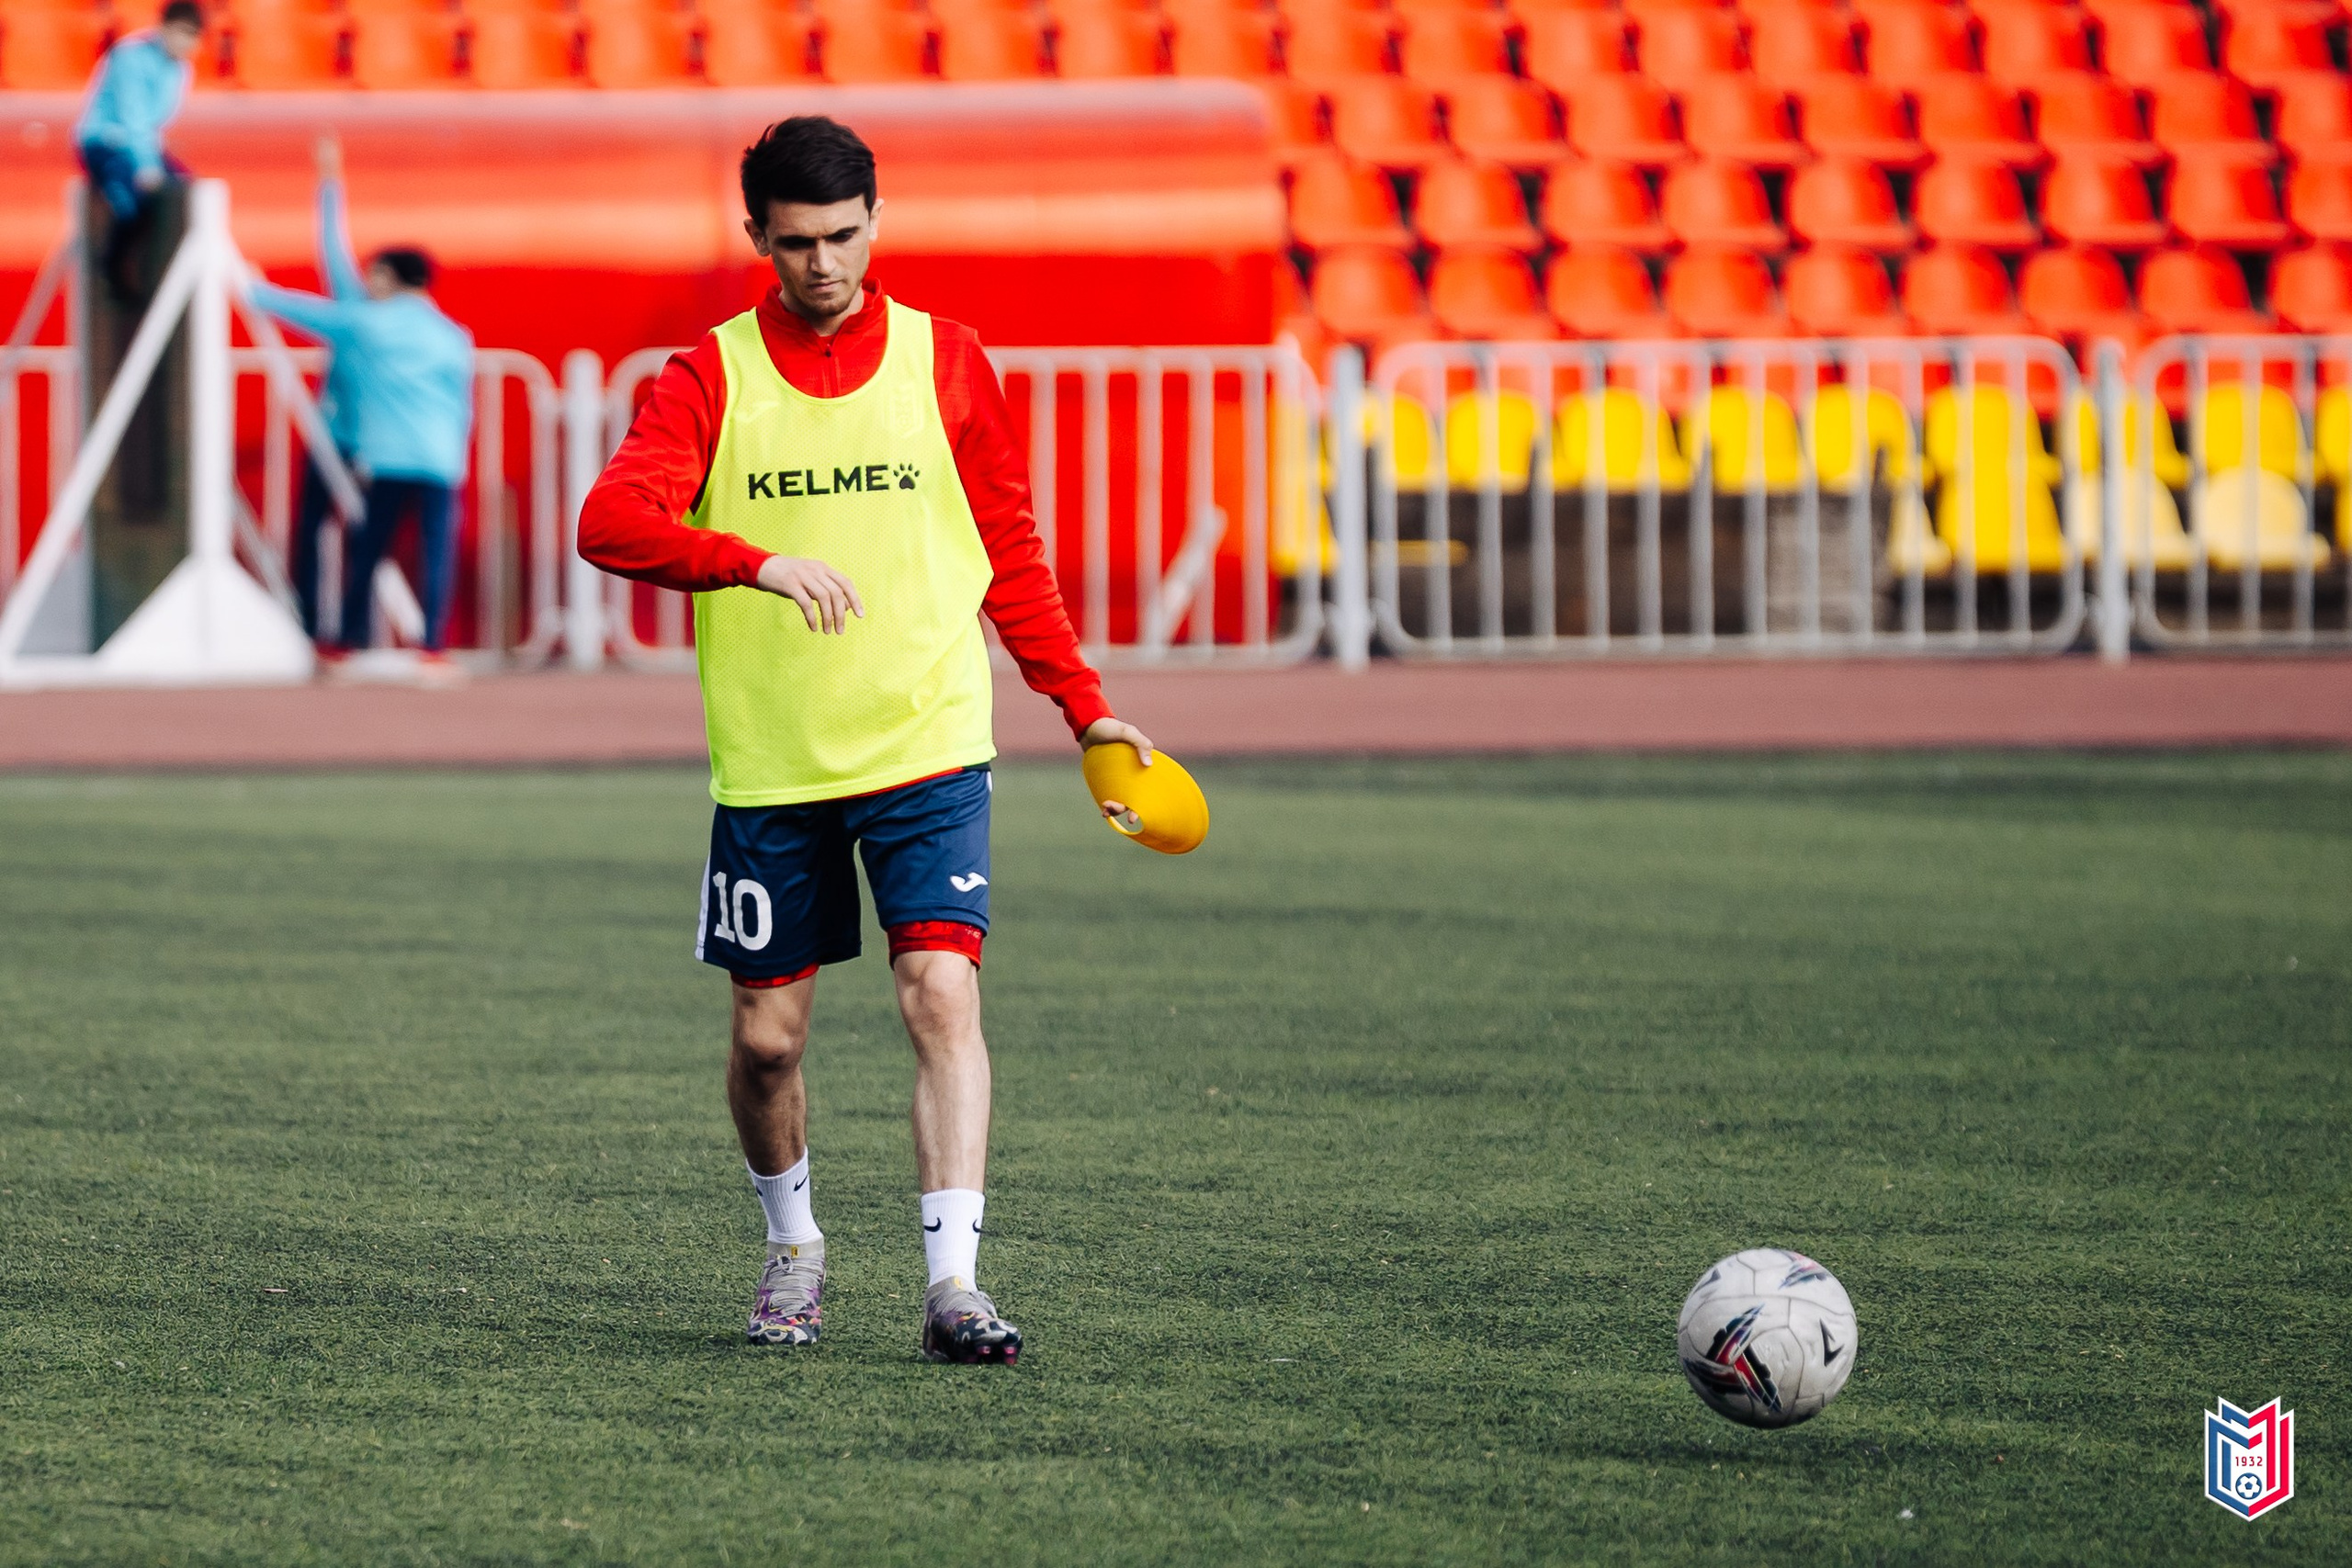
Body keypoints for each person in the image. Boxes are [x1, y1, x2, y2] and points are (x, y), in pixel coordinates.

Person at [578, 116, 1156, 1364]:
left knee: (941, 992)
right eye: (797, 242)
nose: (824, 263)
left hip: (927, 741)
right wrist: (752, 560)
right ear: (758, 237)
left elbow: (1010, 551)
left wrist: (1082, 704)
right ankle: (793, 1244)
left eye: (844, 236)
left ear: (877, 223)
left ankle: (955, 1285)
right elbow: (609, 520)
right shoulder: (709, 374)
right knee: (766, 1041)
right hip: (774, 762)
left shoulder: (948, 359)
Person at [248, 136, 476, 672]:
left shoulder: (365, 323)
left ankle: (342, 637)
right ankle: (432, 647)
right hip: (439, 459)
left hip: (381, 453)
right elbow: (460, 402)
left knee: (366, 547)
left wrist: (249, 287)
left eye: (375, 274)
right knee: (432, 551)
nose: (365, 280)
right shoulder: (452, 335)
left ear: (391, 281)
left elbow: (307, 304)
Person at [75, 0, 206, 302]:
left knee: (186, 191)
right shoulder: (130, 57)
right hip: (105, 143)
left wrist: (154, 156)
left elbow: (154, 121)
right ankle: (113, 267)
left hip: (141, 143)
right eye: (182, 32)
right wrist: (147, 165)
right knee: (132, 203)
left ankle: (165, 276)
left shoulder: (181, 69)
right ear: (165, 28)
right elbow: (131, 117)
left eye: (193, 36)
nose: (186, 42)